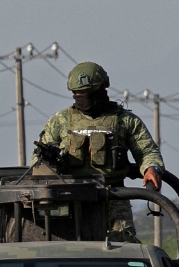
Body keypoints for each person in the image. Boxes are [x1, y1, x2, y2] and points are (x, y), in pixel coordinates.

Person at [31, 62, 164, 242]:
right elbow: (37, 159)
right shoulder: (60, 120)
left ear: (103, 87)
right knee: (68, 251)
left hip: (114, 197)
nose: (83, 97)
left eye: (89, 91)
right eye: (78, 93)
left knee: (122, 248)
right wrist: (48, 163)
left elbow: (147, 149)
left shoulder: (124, 120)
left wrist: (151, 168)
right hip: (69, 199)